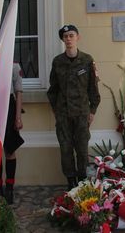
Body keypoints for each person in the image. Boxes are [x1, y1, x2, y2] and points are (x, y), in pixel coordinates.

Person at [47, 24, 101, 190]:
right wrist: (56, 112)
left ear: (78, 37)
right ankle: (71, 183)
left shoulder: (87, 60)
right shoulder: (58, 62)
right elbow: (53, 90)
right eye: (66, 37)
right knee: (66, 149)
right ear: (63, 40)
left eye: (71, 35)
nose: (69, 39)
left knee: (82, 149)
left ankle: (83, 182)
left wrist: (92, 111)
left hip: (82, 114)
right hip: (63, 115)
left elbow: (93, 89)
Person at [0, 62, 25, 204]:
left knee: (10, 149)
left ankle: (9, 187)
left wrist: (18, 117)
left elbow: (18, 92)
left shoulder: (14, 66)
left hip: (9, 107)